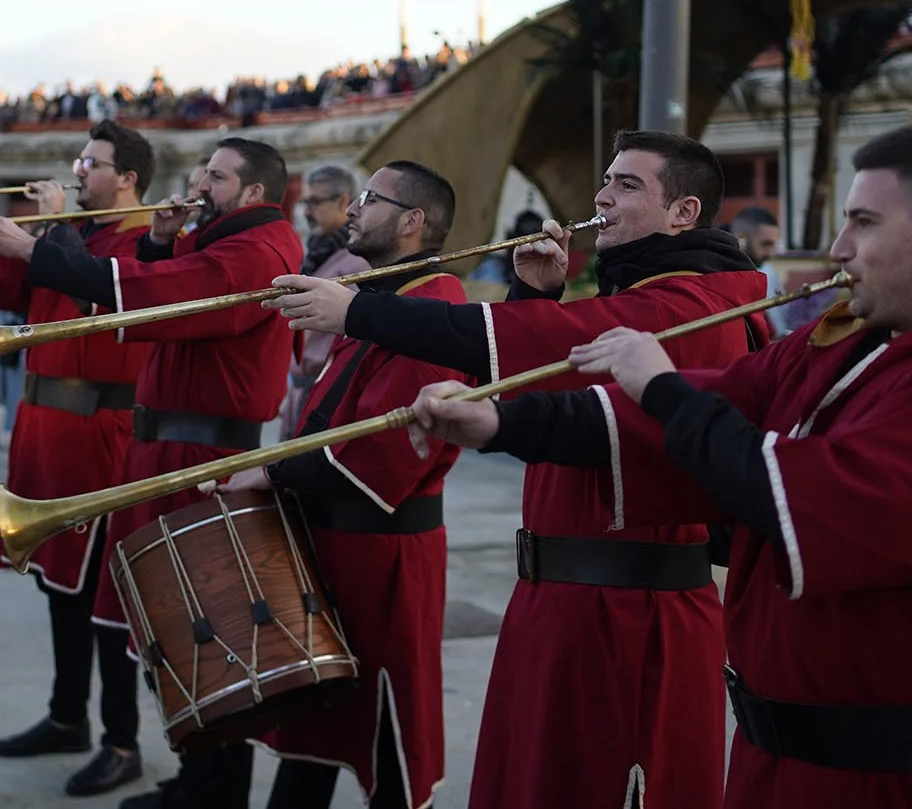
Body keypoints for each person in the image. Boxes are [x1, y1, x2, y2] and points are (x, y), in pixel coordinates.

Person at [410, 121, 912, 808]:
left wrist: (661, 384)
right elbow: (700, 405)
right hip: (780, 759)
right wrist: (498, 420)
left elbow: (804, 495)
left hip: (898, 780)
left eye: (864, 223)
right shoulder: (854, 343)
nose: (840, 248)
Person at [268, 131, 772, 809]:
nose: (601, 194)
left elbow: (552, 363)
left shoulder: (696, 301)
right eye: (606, 178)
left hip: (630, 613)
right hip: (563, 597)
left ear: (683, 213)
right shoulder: (649, 288)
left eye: (627, 184)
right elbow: (544, 380)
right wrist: (534, 295)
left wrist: (357, 310)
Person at [0, 137, 300, 809]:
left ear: (255, 193)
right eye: (203, 169)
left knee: (206, 630)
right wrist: (157, 242)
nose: (200, 181)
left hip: (204, 458)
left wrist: (40, 248)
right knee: (167, 627)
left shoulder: (258, 248)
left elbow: (162, 296)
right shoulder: (221, 240)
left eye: (217, 174)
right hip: (165, 449)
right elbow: (162, 281)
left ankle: (213, 792)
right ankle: (194, 776)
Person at [218, 161, 467, 809]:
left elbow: (385, 447)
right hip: (335, 542)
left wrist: (271, 469)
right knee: (316, 721)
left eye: (369, 199)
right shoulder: (384, 294)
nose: (351, 209)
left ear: (413, 221)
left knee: (388, 732)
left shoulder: (434, 303)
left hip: (387, 557)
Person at [0, 120, 159, 799]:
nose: (76, 170)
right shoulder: (73, 236)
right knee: (59, 588)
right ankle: (68, 715)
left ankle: (122, 739)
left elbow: (103, 293)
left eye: (92, 162)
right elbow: (1, 288)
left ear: (127, 179)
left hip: (101, 432)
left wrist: (48, 232)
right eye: (79, 159)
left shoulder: (143, 241)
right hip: (45, 427)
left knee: (102, 598)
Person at [283, 165, 368, 434]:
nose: (306, 212)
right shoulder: (318, 252)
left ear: (344, 201)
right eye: (304, 202)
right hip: (300, 390)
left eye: (314, 202)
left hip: (327, 395)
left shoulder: (357, 261)